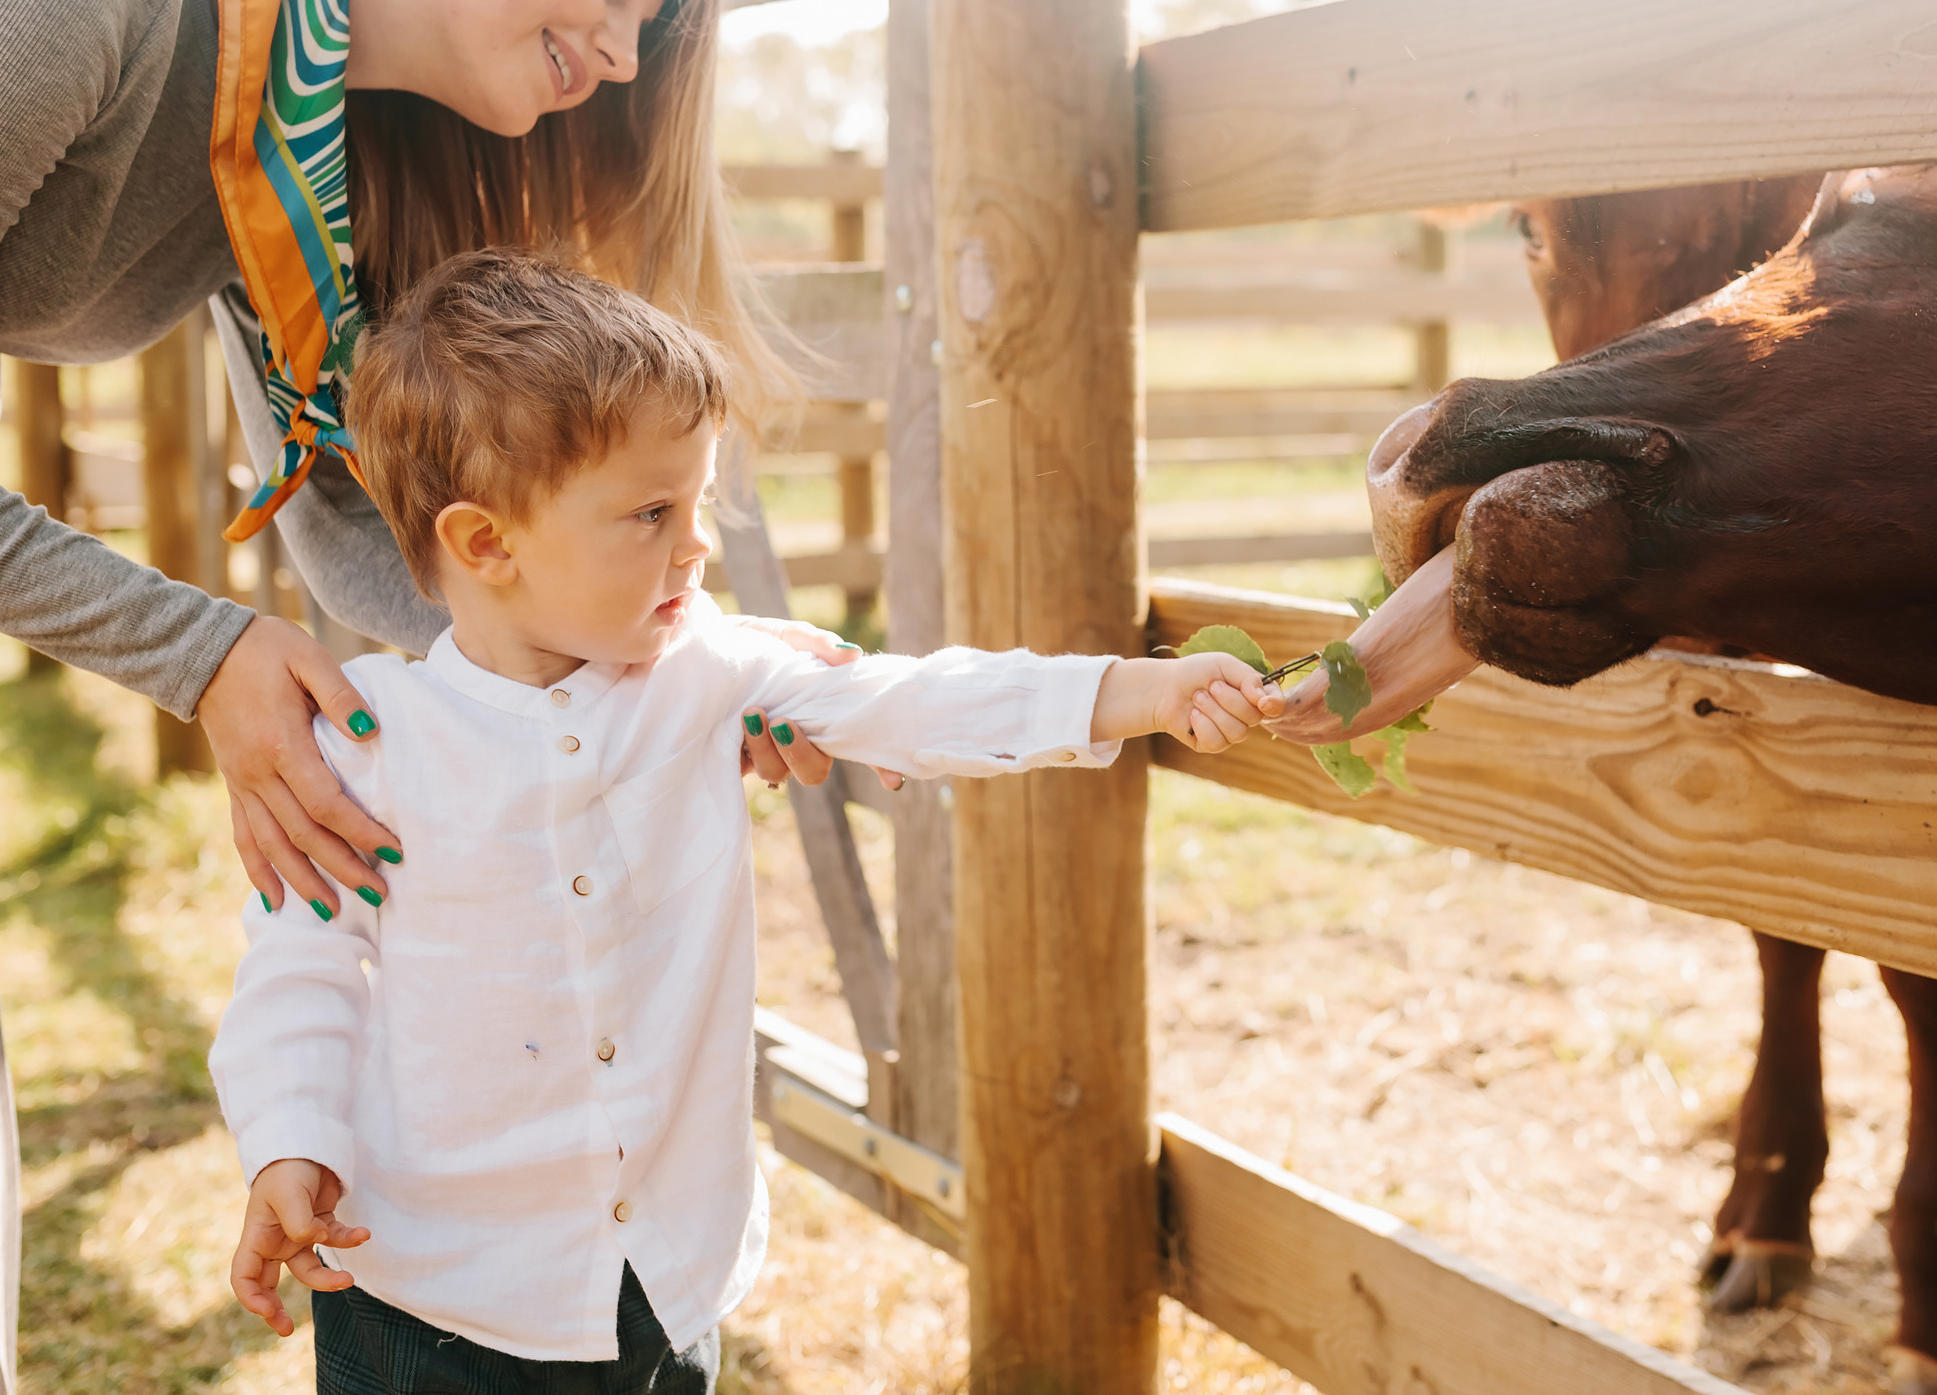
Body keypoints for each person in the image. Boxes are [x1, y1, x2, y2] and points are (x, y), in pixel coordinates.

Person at [0, 0, 844, 1388]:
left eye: (641, 28)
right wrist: (197, 652)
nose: (620, 56)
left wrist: (645, 666)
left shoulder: (297, 116)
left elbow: (380, 534)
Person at [207, 254, 1280, 1388]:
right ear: (487, 544)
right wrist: (289, 1139)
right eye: (652, 511)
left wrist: (1139, 690)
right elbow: (301, 967)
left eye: (700, 501)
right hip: (431, 1295)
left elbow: (909, 698)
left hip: (661, 1278)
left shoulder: (709, 670)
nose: (697, 544)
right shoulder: (369, 743)